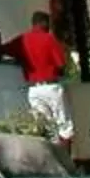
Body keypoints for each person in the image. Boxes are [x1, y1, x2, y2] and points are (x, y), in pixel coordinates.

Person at [6, 12, 75, 157]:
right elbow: (61, 64)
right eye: (48, 23)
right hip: (51, 87)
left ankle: (49, 160)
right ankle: (66, 161)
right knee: (64, 124)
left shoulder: (22, 39)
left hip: (33, 90)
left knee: (44, 126)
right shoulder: (49, 38)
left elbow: (3, 49)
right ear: (43, 23)